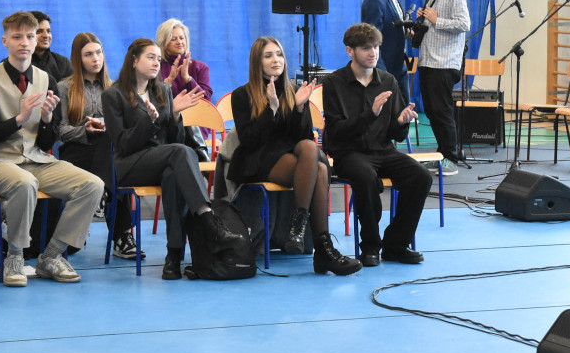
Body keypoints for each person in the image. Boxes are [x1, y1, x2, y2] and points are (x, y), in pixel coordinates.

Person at [0, 12, 104, 287]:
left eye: (30, 36)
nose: (24, 42)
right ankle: (15, 256)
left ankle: (52, 255)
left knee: (92, 185)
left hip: (35, 160)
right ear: (5, 41)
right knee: (25, 182)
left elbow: (45, 143)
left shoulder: (47, 80)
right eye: (17, 37)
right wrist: (18, 120)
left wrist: (46, 120)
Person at [102, 37, 242, 280]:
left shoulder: (163, 90)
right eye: (150, 57)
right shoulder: (113, 95)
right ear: (134, 60)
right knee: (180, 153)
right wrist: (150, 121)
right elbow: (123, 144)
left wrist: (175, 115)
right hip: (130, 165)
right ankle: (209, 220)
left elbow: (173, 138)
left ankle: (173, 259)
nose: (156, 63)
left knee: (172, 177)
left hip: (162, 160)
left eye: (158, 58)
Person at [229, 36, 360, 276]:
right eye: (268, 56)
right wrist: (271, 109)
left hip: (292, 155)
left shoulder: (292, 91)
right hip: (258, 158)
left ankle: (299, 227)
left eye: (279, 54)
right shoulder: (241, 95)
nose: (276, 60)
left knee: (312, 153)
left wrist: (299, 108)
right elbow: (250, 140)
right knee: (319, 167)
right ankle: (322, 249)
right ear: (257, 62)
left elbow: (303, 137)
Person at [322, 22, 431, 267]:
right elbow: (336, 132)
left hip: (383, 151)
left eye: (376, 47)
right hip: (350, 153)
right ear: (350, 51)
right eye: (366, 48)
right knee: (365, 177)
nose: (373, 53)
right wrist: (369, 114)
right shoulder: (334, 83)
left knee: (421, 177)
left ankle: (396, 245)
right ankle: (370, 246)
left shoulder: (388, 81)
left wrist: (401, 122)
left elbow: (396, 134)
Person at [54, 33, 139, 261]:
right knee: (114, 167)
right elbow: (60, 130)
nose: (96, 59)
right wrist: (85, 130)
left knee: (114, 157)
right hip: (76, 151)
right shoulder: (65, 87)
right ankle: (121, 236)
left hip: (108, 151)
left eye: (99, 53)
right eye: (89, 54)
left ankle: (105, 199)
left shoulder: (115, 88)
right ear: (78, 58)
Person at [414, 0, 470, 171]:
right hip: (428, 59)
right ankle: (441, 155)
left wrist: (437, 20)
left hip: (444, 62)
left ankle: (451, 159)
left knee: (442, 110)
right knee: (431, 110)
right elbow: (432, 22)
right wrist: (423, 19)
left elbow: (464, 24)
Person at [360, 0, 412, 101]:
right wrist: (382, 75)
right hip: (386, 71)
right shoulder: (375, 0)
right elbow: (370, 41)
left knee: (404, 110)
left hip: (398, 68)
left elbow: (388, 29)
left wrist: (404, 32)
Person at [156, 18, 212, 105]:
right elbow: (155, 100)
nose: (179, 42)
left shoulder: (200, 67)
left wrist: (188, 79)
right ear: (164, 43)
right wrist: (169, 80)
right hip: (169, 113)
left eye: (182, 38)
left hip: (196, 113)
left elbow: (207, 102)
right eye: (173, 39)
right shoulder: (156, 67)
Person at [29, 10, 72, 84]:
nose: (46, 35)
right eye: (39, 31)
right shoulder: (18, 64)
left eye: (48, 31)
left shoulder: (63, 63)